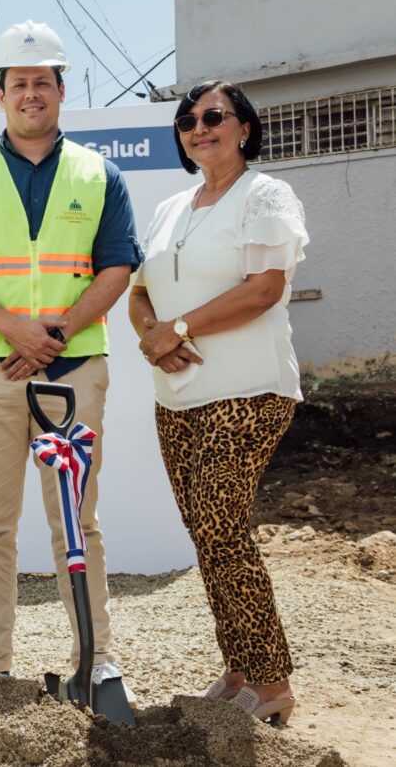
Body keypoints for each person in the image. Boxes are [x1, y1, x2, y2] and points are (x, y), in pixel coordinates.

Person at [0, 21, 142, 687]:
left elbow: (116, 266)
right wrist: (15, 330)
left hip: (74, 368)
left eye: (41, 82)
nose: (30, 94)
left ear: (60, 90)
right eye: (18, 83)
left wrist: (52, 334)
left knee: (79, 521)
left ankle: (95, 659)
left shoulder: (98, 173)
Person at [129, 80, 307, 725]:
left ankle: (271, 681)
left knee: (222, 525)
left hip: (248, 390)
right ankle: (237, 669)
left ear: (243, 128)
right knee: (207, 534)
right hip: (176, 396)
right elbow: (140, 290)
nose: (198, 128)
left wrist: (179, 329)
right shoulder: (172, 207)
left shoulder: (266, 195)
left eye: (212, 117)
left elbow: (264, 289)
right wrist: (152, 332)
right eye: (186, 120)